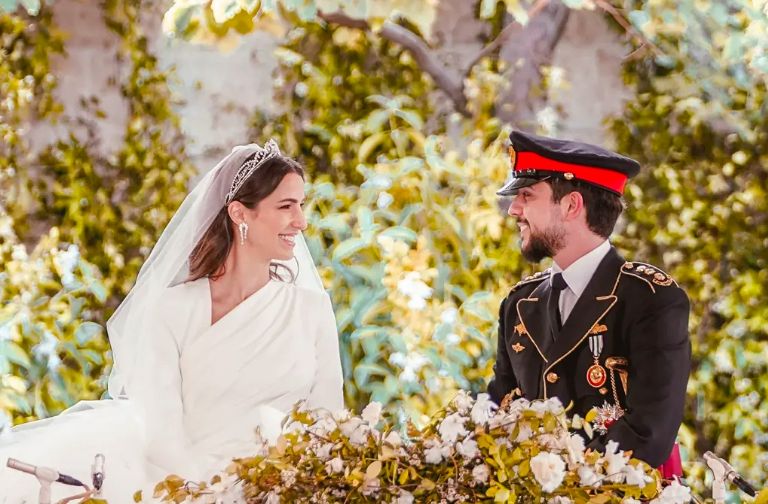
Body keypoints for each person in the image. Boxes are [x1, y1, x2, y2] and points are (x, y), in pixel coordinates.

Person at [0, 140, 344, 501]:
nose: (301, 221)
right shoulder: (172, 310)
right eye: (286, 206)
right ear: (240, 213)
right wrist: (208, 494)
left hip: (288, 489)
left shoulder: (312, 309)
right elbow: (162, 432)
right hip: (185, 486)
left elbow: (328, 419)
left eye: (301, 205)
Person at [487, 130, 690, 468]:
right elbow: (497, 410)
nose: (514, 210)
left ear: (571, 205)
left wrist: (558, 479)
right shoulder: (519, 304)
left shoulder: (650, 298)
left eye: (526, 195)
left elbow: (648, 434)